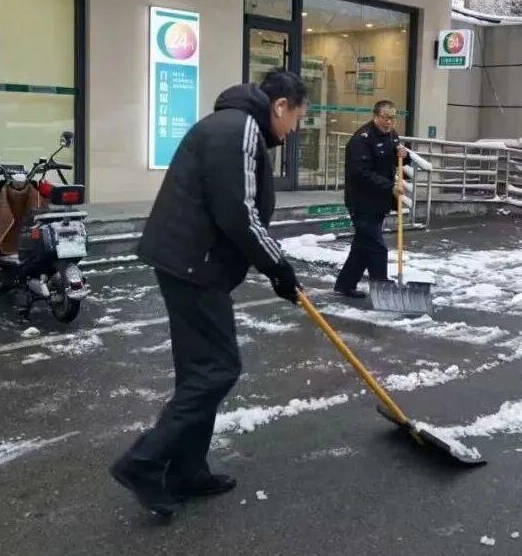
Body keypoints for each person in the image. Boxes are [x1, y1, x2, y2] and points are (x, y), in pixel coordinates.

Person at [110, 71, 307, 516]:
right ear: (280, 106)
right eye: (297, 117)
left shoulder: (231, 126)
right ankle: (143, 462)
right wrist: (277, 266)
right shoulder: (240, 129)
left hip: (189, 262)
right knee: (218, 368)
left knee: (199, 370)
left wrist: (273, 267)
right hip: (194, 265)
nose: (294, 128)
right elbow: (239, 212)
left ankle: (187, 470)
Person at [334, 100, 407, 298]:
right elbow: (360, 173)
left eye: (393, 118)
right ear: (375, 117)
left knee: (362, 245)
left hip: (379, 202)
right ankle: (382, 290)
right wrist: (390, 186)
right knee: (376, 247)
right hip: (362, 202)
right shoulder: (361, 140)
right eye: (386, 117)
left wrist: (404, 155)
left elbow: (394, 160)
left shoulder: (391, 135)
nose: (390, 122)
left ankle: (345, 285)